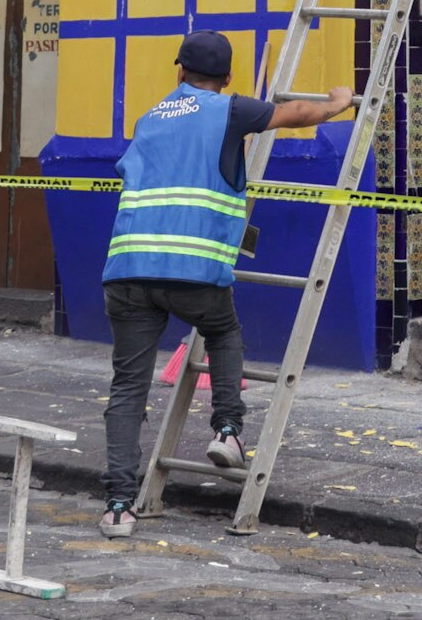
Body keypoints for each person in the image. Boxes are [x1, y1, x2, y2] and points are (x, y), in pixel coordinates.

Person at [97, 29, 352, 538]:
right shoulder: (230, 110)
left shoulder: (149, 118)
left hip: (127, 268)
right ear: (229, 77)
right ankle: (228, 430)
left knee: (127, 387)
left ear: (179, 71)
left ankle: (119, 507)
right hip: (193, 271)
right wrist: (337, 103)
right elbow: (294, 114)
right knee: (223, 330)